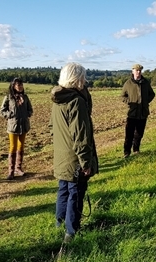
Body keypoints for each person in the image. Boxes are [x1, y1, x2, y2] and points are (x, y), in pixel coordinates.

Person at [50, 62, 98, 243]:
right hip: (74, 158)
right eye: (83, 78)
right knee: (75, 192)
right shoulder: (76, 101)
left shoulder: (58, 99)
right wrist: (85, 163)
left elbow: (52, 128)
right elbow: (81, 136)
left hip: (62, 155)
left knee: (63, 189)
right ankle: (71, 232)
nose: (85, 81)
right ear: (76, 79)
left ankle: (59, 222)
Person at [0, 78, 33, 179]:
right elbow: (2, 111)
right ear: (13, 86)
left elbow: (30, 110)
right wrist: (10, 114)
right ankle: (11, 171)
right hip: (13, 126)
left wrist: (27, 114)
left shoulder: (25, 97)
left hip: (24, 126)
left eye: (21, 85)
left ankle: (18, 168)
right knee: (13, 147)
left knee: (21, 146)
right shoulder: (8, 97)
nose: (20, 87)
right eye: (18, 85)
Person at [121, 63, 155, 158]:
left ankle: (136, 150)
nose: (138, 72)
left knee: (139, 134)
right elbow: (122, 96)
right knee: (129, 134)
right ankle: (126, 152)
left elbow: (152, 94)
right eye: (136, 70)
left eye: (140, 70)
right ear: (133, 71)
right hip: (132, 113)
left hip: (143, 113)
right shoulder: (128, 83)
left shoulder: (145, 82)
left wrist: (145, 102)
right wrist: (130, 102)